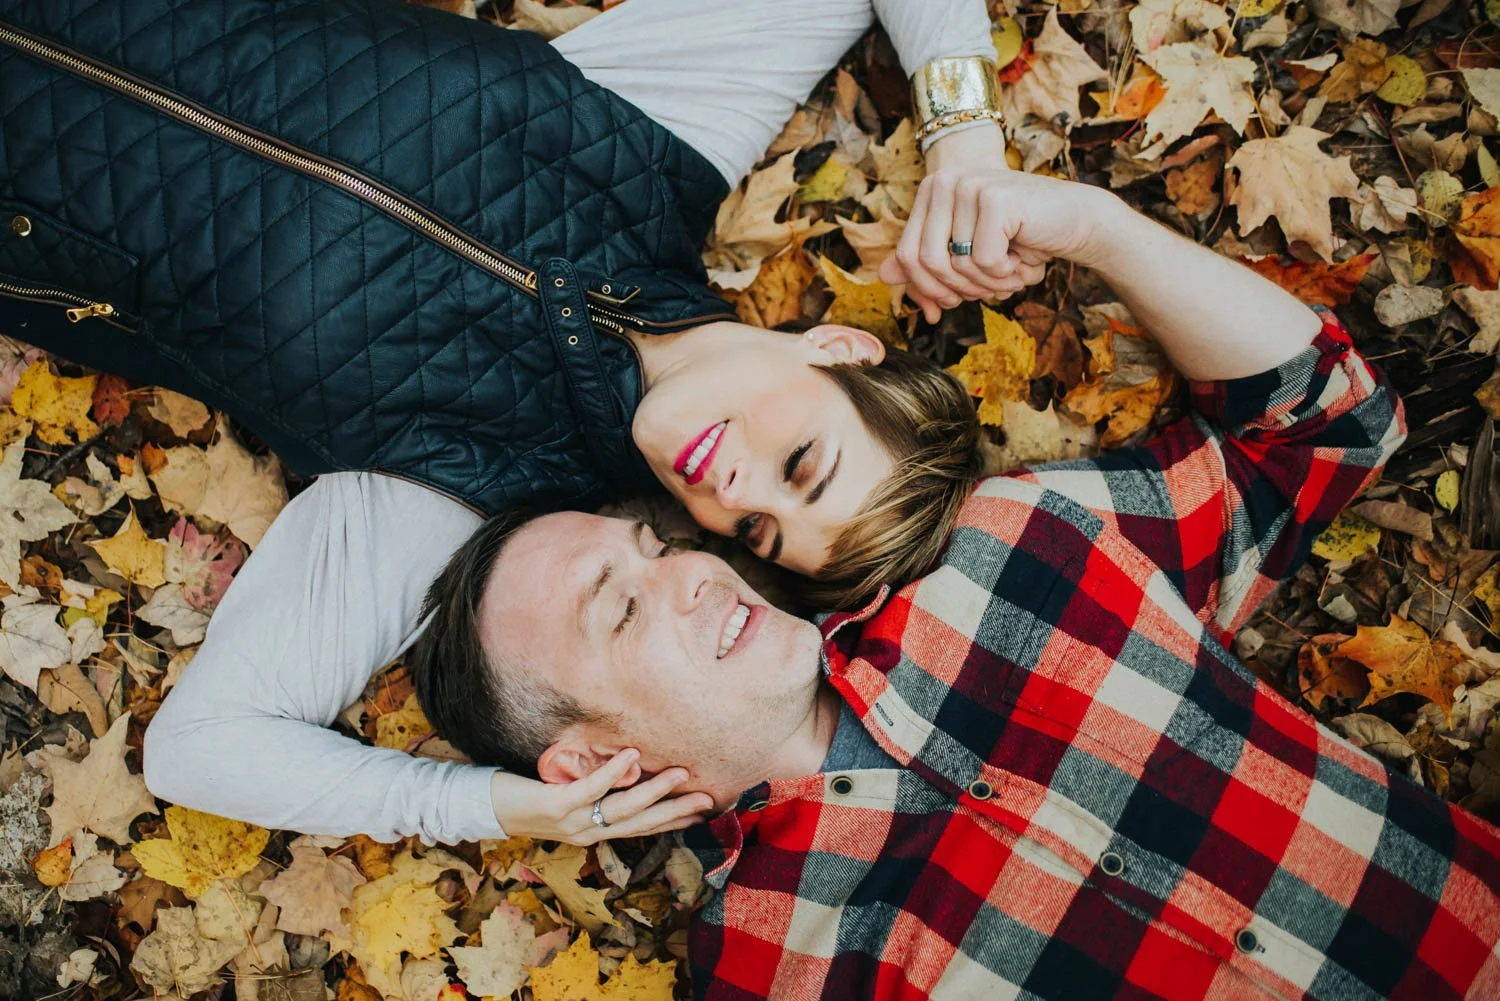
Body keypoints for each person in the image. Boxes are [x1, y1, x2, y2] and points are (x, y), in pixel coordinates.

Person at [409, 170, 1500, 1000]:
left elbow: (1326, 421)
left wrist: (1090, 224)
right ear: (591, 757)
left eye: (659, 547)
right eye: (624, 605)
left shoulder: (1015, 548)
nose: (695, 568)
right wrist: (475, 811)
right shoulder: (764, 965)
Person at [0, 0, 1012, 843]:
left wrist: (495, 806)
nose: (736, 493)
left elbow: (202, 744)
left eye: (757, 532)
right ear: (837, 349)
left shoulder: (463, 489)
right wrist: (968, 141)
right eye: (803, 460)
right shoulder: (661, 130)